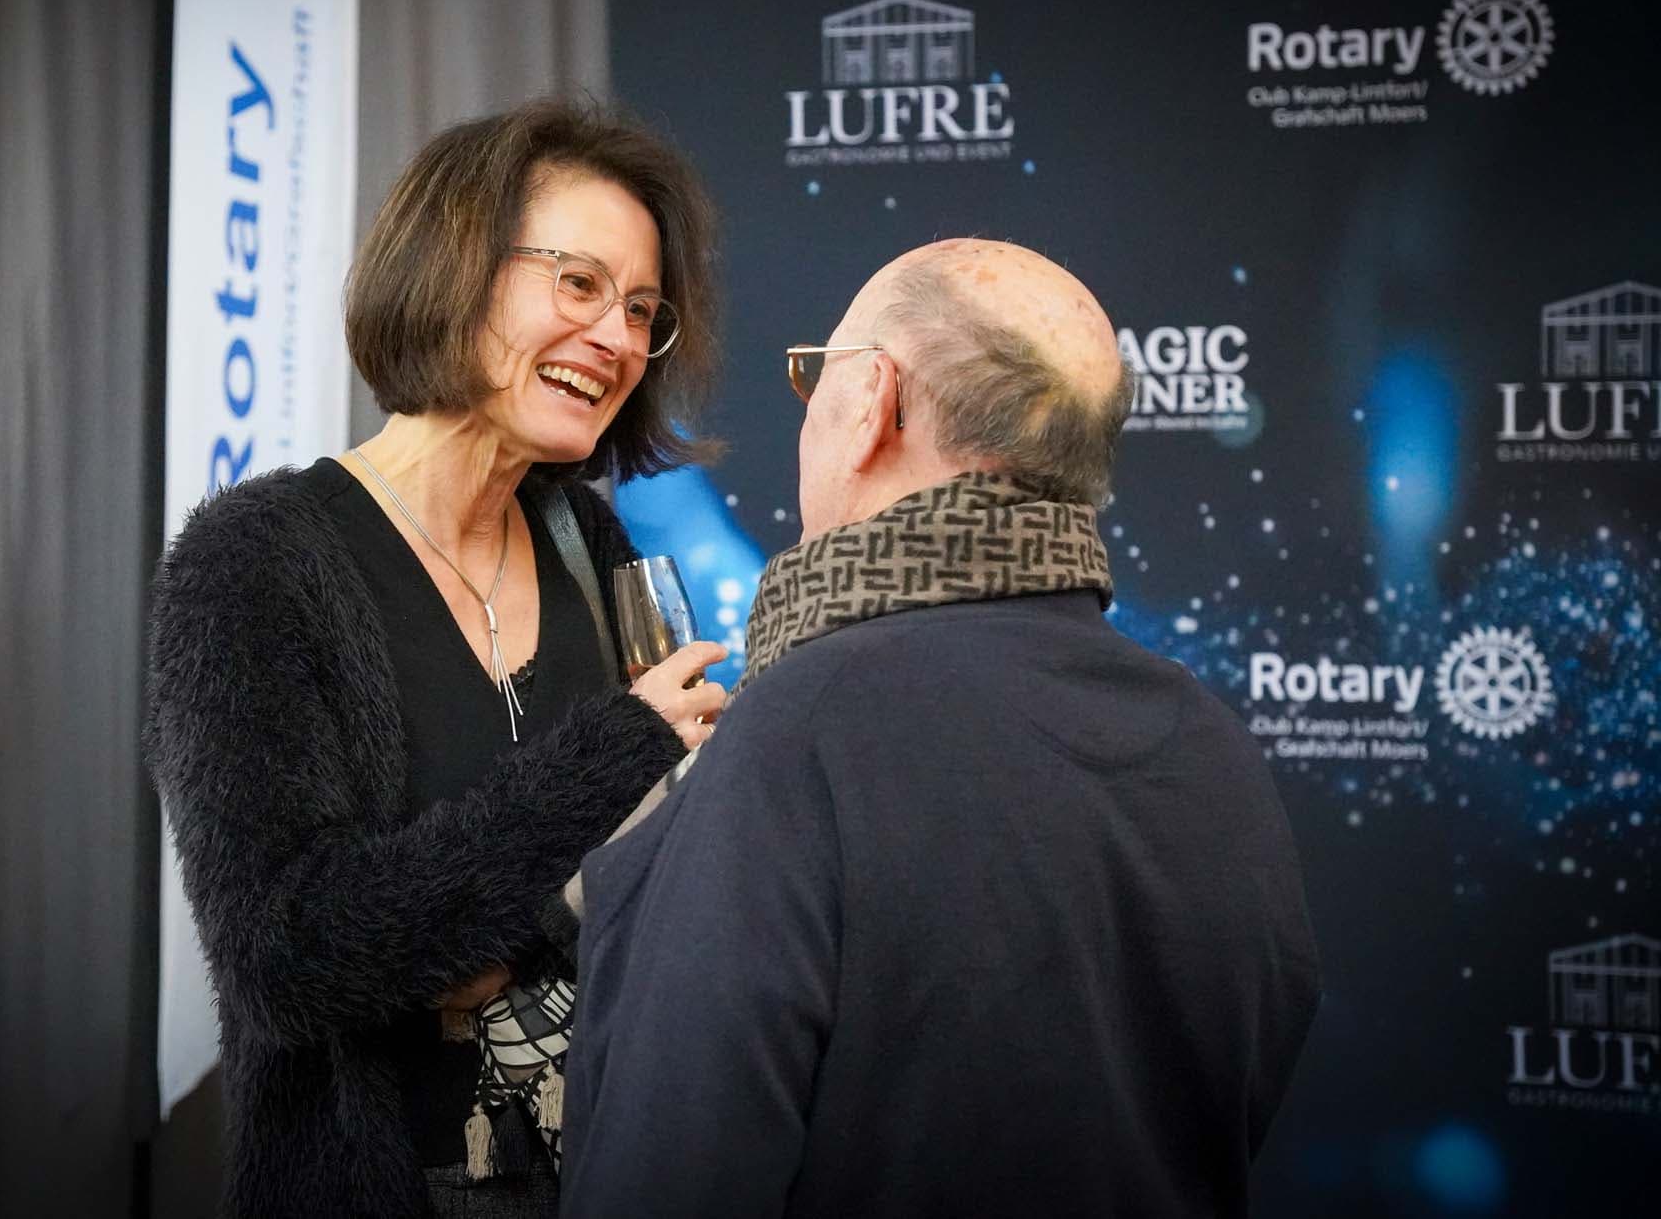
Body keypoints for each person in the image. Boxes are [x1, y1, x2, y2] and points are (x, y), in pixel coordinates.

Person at [559, 240, 1322, 1218]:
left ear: (874, 399)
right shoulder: (1210, 741)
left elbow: (663, 1172)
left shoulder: (800, 733)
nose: (808, 410)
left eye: (814, 377)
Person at [144, 100, 729, 1218]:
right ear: (452, 264)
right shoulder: (253, 563)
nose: (614, 338)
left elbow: (657, 879)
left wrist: (480, 943)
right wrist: (613, 753)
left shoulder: (586, 541)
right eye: (578, 285)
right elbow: (288, 956)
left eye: (641, 310)